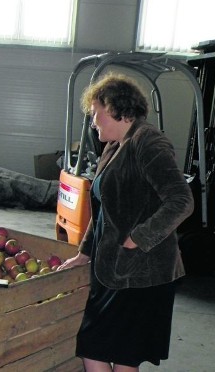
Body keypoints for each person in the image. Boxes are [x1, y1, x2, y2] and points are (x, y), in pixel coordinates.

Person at [57, 73, 194, 371]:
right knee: (113, 353)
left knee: (104, 350)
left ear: (118, 109)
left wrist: (137, 239)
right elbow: (105, 209)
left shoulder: (148, 142)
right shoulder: (115, 145)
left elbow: (182, 201)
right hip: (114, 269)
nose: (93, 122)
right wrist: (85, 252)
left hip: (142, 273)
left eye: (96, 113)